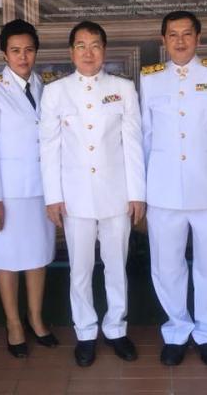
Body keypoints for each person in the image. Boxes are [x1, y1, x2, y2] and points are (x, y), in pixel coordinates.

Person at [40, 21, 145, 367]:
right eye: (81, 46)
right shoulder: (56, 92)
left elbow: (133, 144)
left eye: (95, 45)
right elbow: (49, 148)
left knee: (116, 266)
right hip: (75, 198)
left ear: (105, 50)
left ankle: (116, 328)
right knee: (80, 270)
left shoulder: (123, 88)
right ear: (71, 52)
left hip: (116, 195)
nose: (88, 53)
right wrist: (53, 197)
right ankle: (85, 332)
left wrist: (137, 194)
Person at [140, 11, 207, 367]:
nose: (180, 41)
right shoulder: (150, 78)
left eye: (187, 34)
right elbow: (145, 138)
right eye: (173, 35)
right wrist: (142, 191)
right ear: (163, 40)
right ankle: (177, 330)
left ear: (198, 37)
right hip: (163, 190)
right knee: (167, 266)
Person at [0, 20, 58, 359]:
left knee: (38, 257)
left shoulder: (47, 85)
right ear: (4, 54)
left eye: (28, 50)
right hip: (8, 192)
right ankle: (13, 323)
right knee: (7, 259)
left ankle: (35, 318)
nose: (23, 57)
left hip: (42, 188)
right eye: (15, 50)